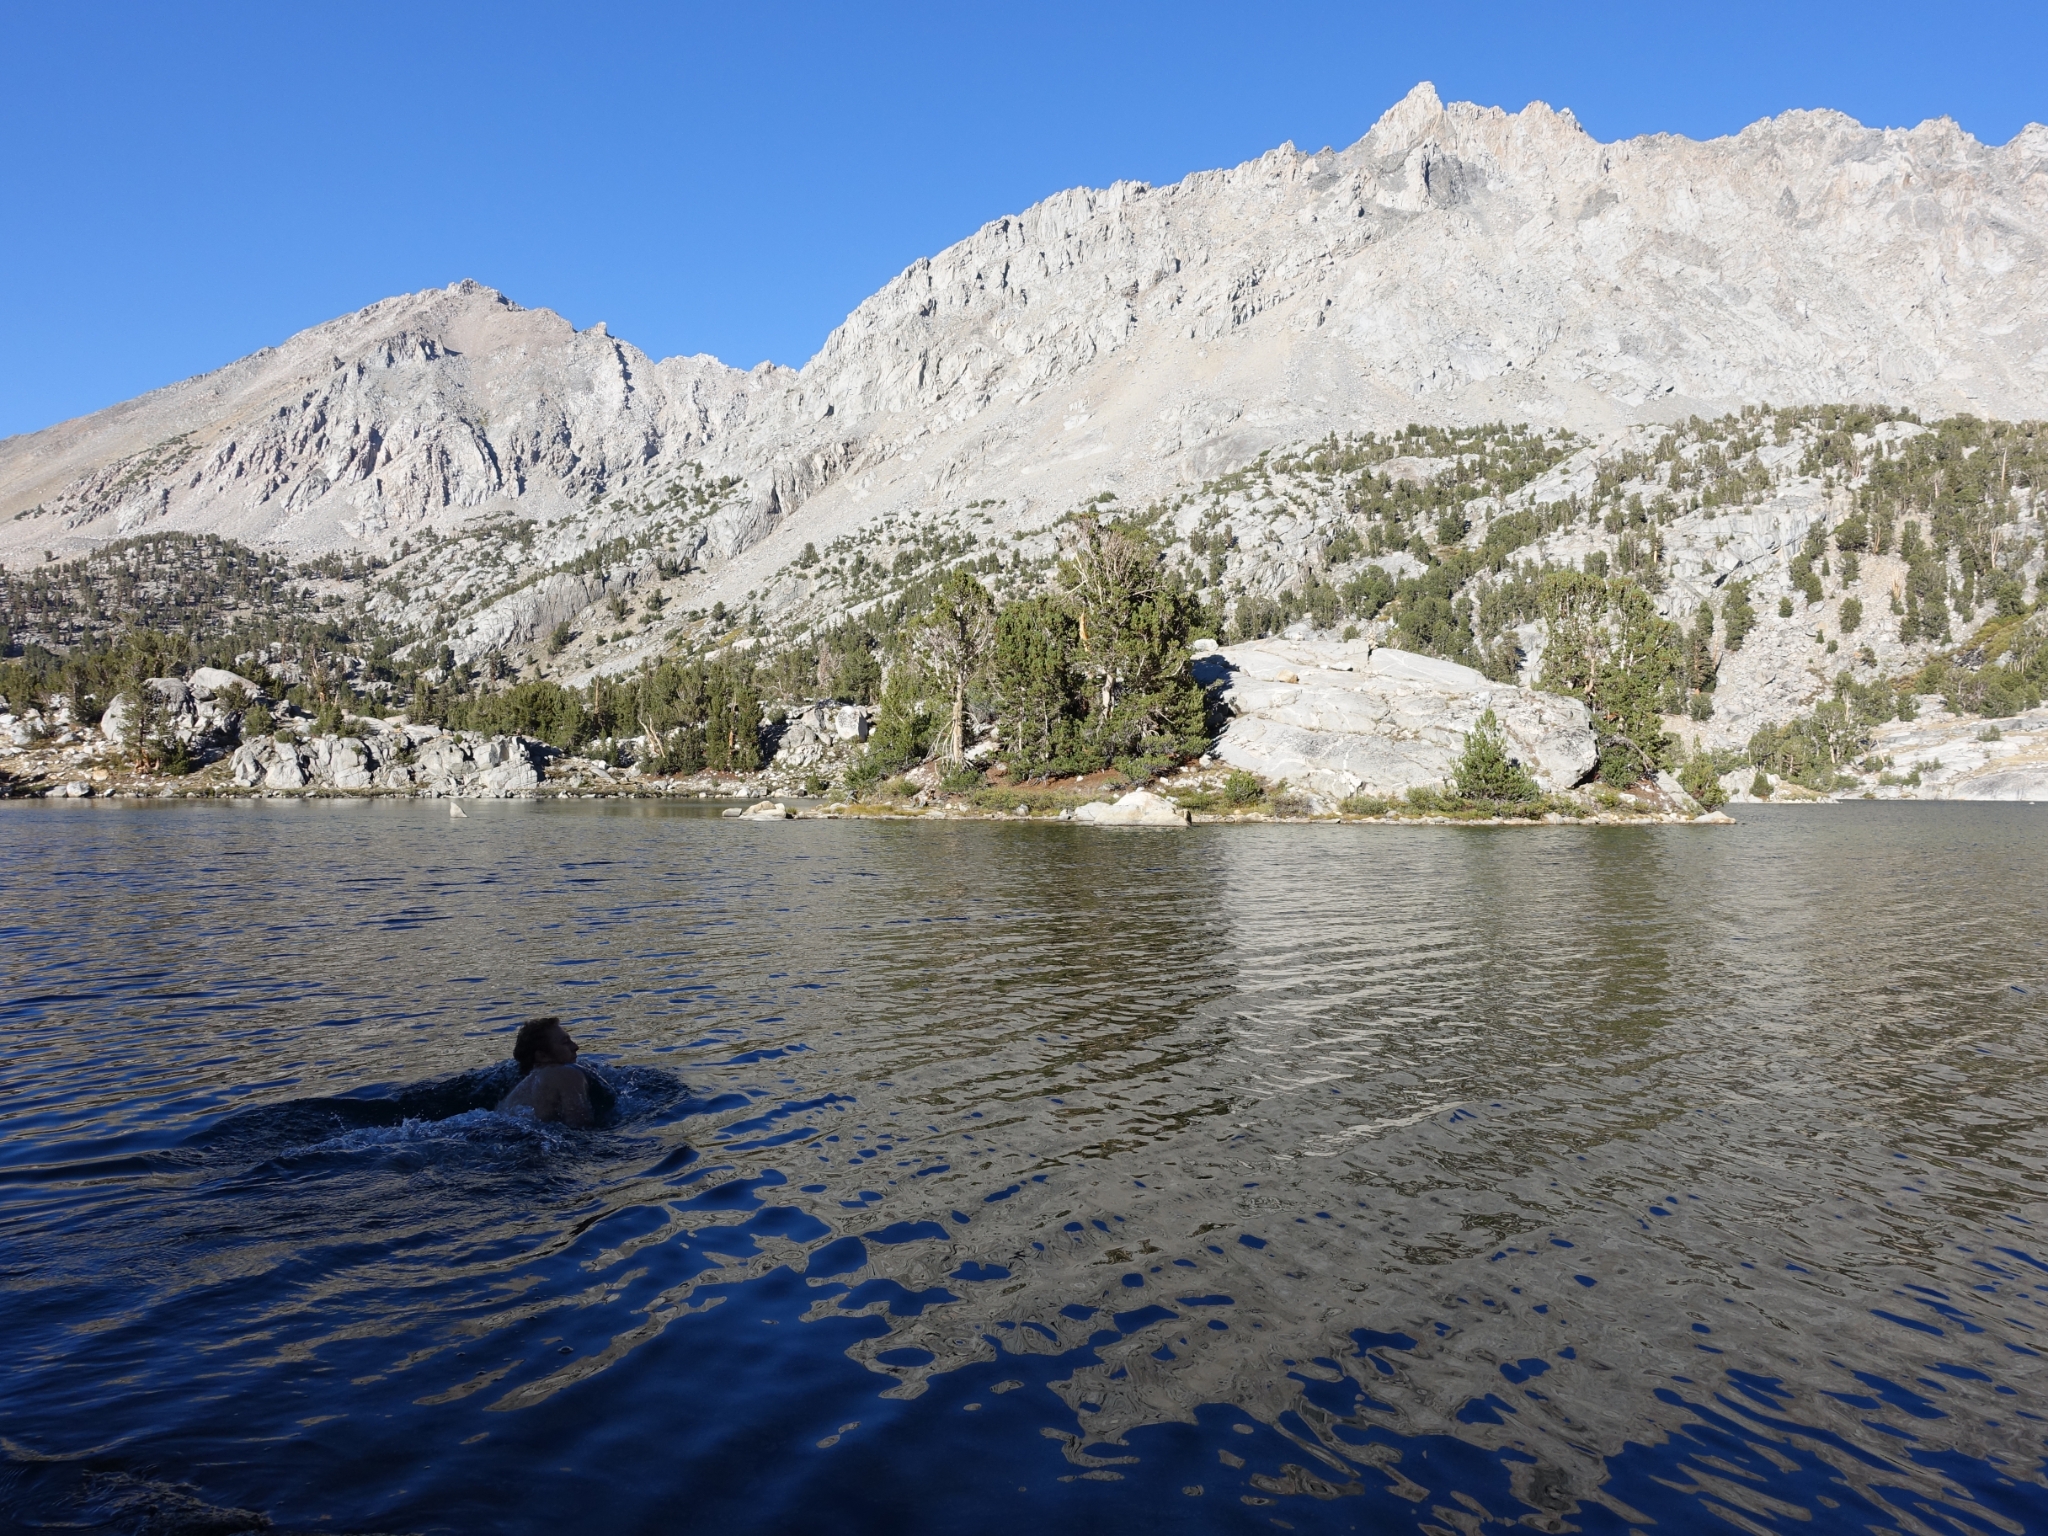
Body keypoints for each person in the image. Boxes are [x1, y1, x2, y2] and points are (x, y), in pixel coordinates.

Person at [497, 1016, 598, 1127]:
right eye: (565, 1042)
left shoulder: (516, 1093)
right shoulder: (566, 1073)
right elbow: (581, 1127)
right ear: (543, 1056)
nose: (575, 1047)